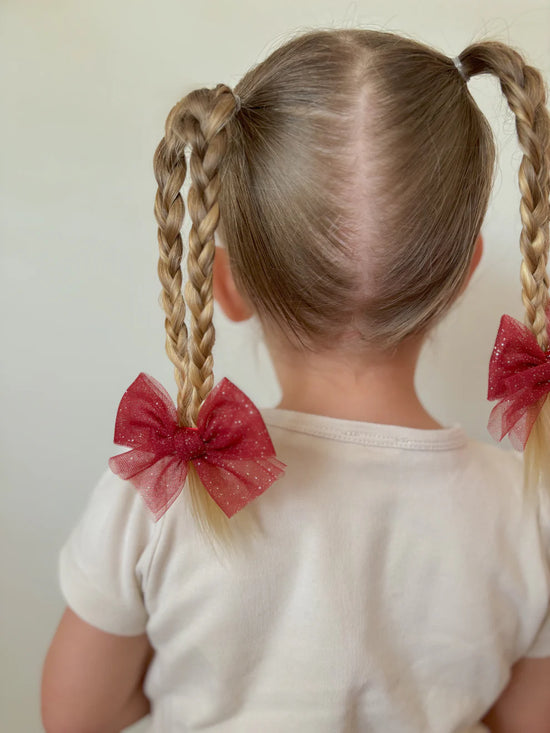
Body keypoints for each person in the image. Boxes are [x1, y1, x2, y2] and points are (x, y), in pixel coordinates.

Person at [41, 27, 550, 733]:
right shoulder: (528, 511)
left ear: (224, 285)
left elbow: (76, 716)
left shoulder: (160, 490)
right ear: (462, 276)